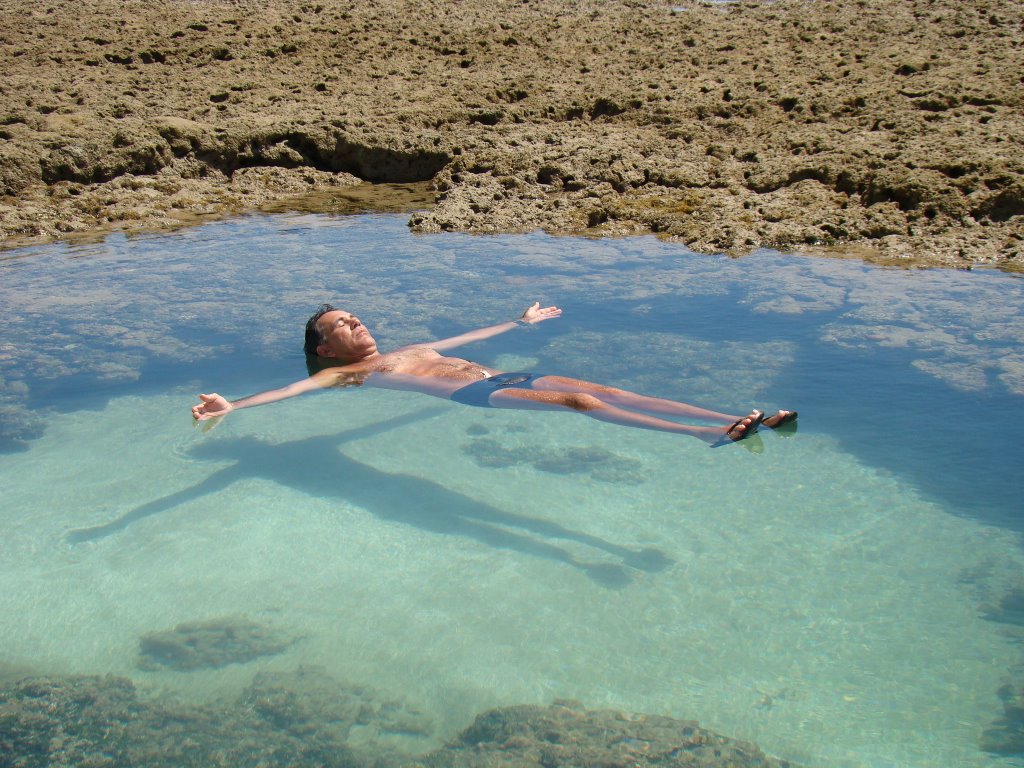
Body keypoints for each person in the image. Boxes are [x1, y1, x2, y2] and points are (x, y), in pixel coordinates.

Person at [192, 302, 796, 447]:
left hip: (504, 369)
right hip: (477, 394)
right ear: (325, 351)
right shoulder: (342, 377)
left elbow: (469, 337)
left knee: (604, 390)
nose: (356, 326)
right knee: (579, 404)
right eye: (341, 327)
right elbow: (291, 390)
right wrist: (233, 407)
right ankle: (707, 437)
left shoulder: (410, 344)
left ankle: (740, 420)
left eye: (355, 317)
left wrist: (520, 321)